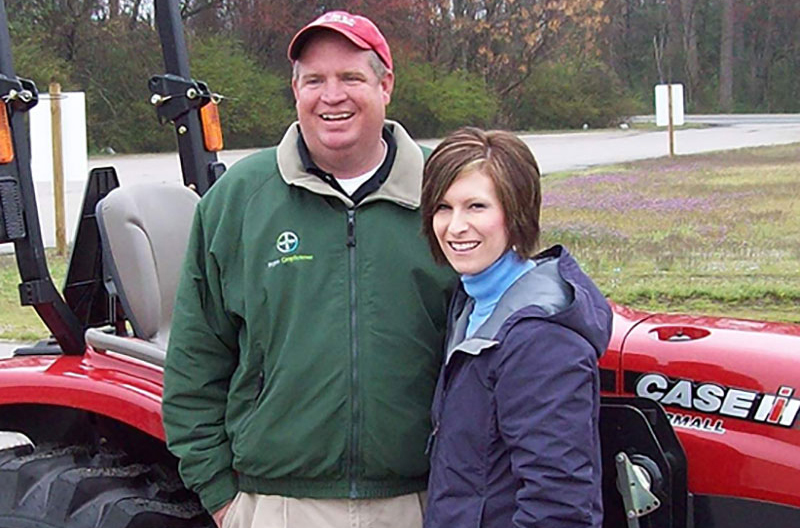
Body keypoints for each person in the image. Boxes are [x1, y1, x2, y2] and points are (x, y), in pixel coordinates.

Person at [162, 11, 454, 528]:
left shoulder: (447, 194)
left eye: (351, 78)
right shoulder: (238, 200)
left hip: (421, 502)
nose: (331, 96)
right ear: (295, 89)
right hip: (279, 505)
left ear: (385, 85)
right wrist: (222, 497)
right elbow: (195, 362)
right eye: (314, 80)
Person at [419, 127, 612, 528]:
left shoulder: (540, 337)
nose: (455, 227)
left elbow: (560, 505)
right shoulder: (471, 306)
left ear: (517, 211)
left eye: (476, 207)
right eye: (443, 207)